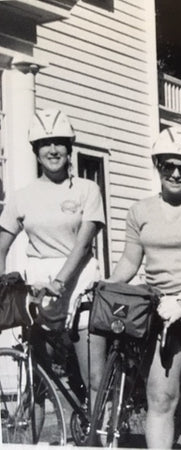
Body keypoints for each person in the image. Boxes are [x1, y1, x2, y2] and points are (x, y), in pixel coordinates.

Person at [108, 126, 181, 448]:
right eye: (168, 165)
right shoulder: (139, 211)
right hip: (157, 311)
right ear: (157, 164)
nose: (175, 173)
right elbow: (129, 262)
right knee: (161, 398)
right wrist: (105, 286)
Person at [0, 108, 107, 405]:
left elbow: (83, 245)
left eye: (59, 142)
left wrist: (60, 282)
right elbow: (1, 245)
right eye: (45, 143)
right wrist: (5, 288)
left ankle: (99, 438)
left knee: (93, 379)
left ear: (69, 148)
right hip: (39, 292)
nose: (53, 150)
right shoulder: (22, 196)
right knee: (36, 384)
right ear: (36, 150)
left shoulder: (87, 189)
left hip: (79, 285)